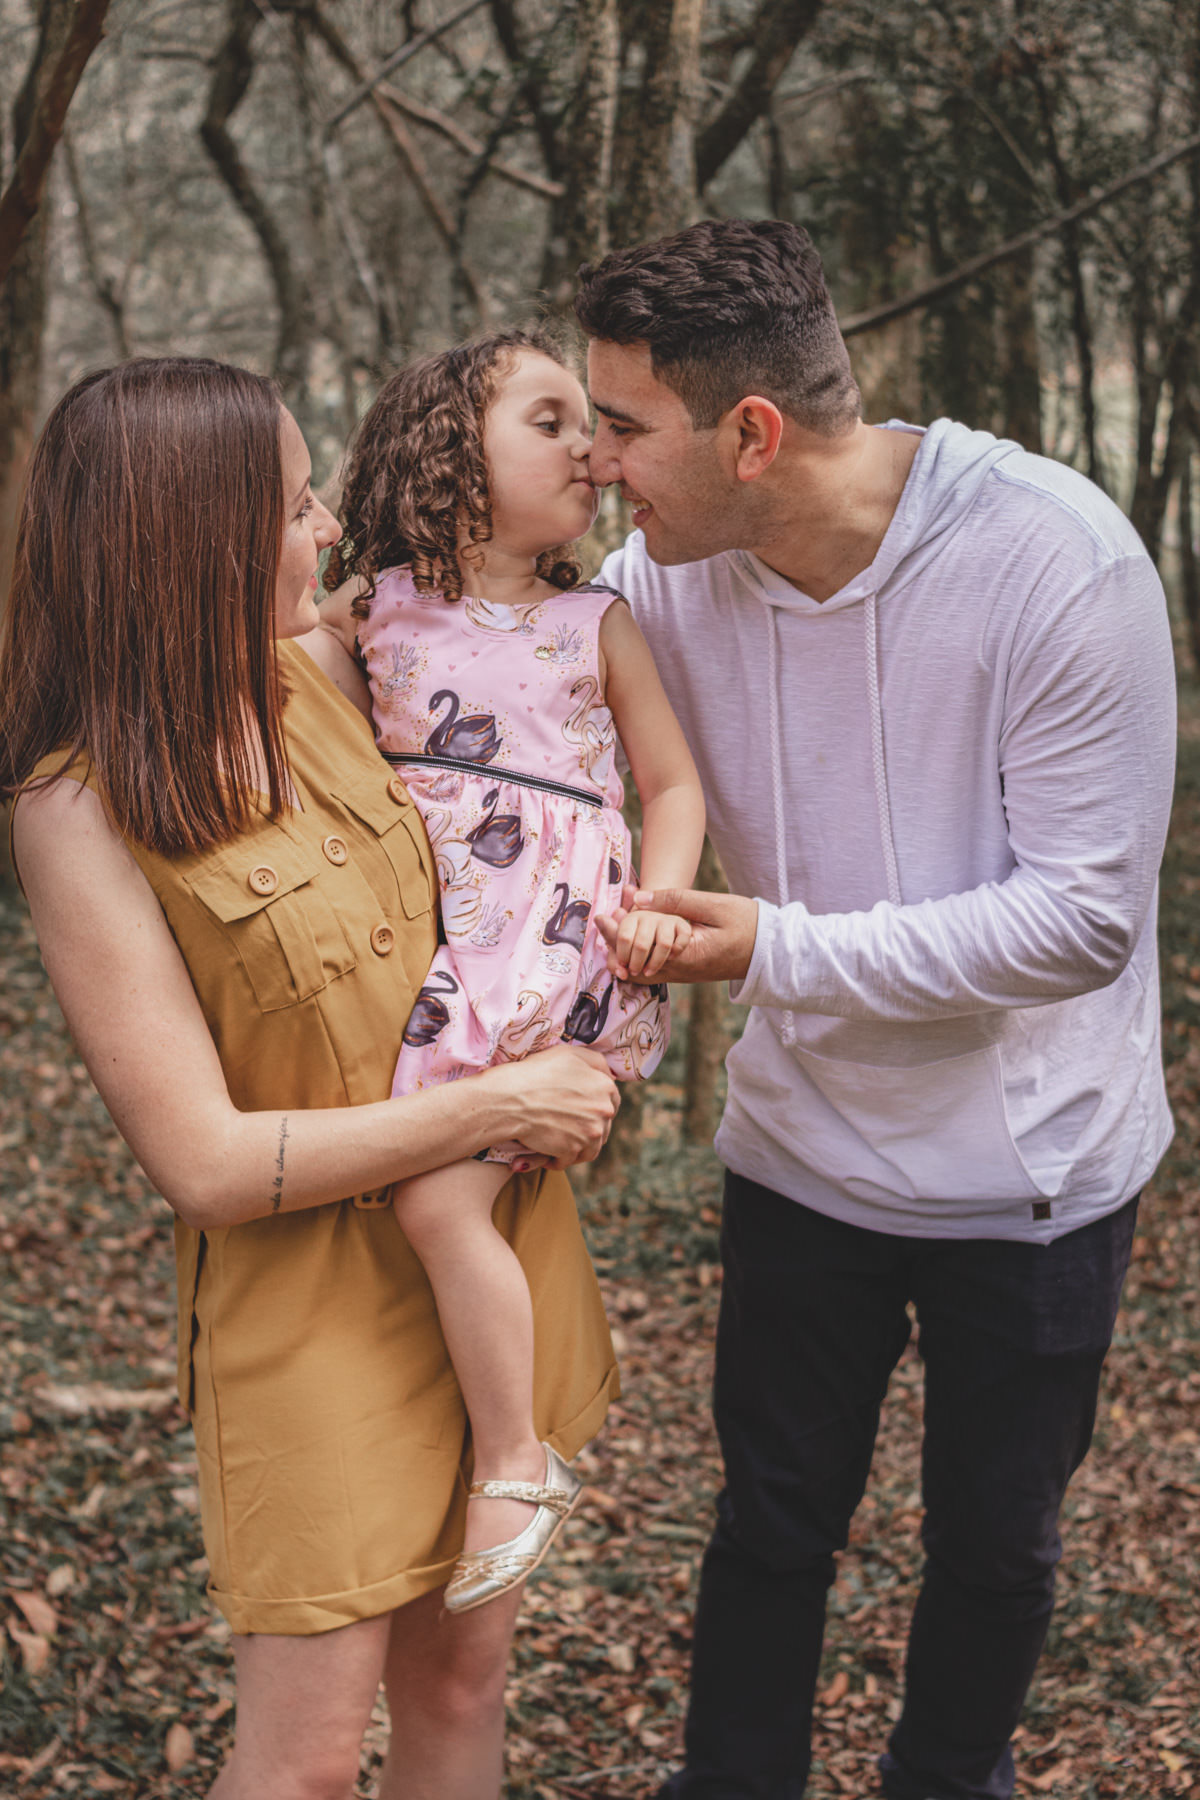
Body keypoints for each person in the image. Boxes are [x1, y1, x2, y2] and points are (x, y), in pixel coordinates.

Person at [573, 218, 1177, 1800]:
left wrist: (772, 950)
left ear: (751, 435)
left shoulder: (1059, 561)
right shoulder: (661, 586)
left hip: (1032, 1177)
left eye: (625, 429)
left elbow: (1083, 919)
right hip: (801, 1160)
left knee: (994, 1544)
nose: (599, 469)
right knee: (771, 1522)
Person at [0, 356, 624, 1800]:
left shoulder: (340, 668)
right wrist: (490, 1109)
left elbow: (548, 738)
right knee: (304, 1766)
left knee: (465, 1681)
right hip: (311, 1316)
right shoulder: (75, 805)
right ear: (193, 538)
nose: (332, 528)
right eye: (293, 505)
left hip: (488, 1258)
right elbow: (203, 1161)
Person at [311, 329, 705, 1614]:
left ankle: (516, 1458)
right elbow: (277, 700)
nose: (589, 449)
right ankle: (475, 1442)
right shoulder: (374, 609)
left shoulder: (599, 620)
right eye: (549, 421)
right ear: (449, 452)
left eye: (590, 427)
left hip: (550, 938)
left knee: (435, 1202)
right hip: (435, 935)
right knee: (425, 1194)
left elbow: (673, 782)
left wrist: (658, 903)